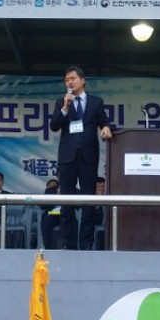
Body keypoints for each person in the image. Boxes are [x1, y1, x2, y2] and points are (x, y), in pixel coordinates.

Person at [48, 65, 113, 250]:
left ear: (83, 80)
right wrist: (65, 108)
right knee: (66, 201)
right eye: (67, 79)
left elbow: (104, 121)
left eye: (73, 78)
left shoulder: (96, 102)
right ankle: (68, 242)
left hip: (88, 155)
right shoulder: (62, 102)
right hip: (67, 157)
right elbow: (54, 126)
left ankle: (86, 243)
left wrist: (106, 127)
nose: (69, 82)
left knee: (88, 201)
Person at [40, 177, 62, 249]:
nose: (52, 187)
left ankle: (70, 246)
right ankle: (48, 247)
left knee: (72, 221)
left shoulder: (70, 188)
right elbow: (42, 206)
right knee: (46, 221)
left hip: (65, 213)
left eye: (54, 185)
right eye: (50, 186)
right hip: (52, 215)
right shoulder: (48, 192)